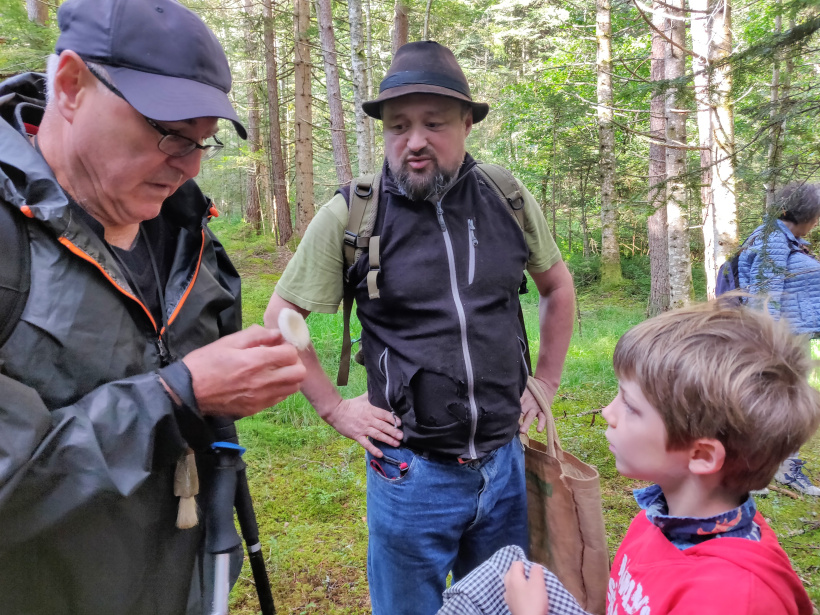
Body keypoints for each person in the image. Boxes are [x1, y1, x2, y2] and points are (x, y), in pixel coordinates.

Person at [0, 0, 306, 613]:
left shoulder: (189, 234)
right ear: (71, 85)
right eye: (168, 133)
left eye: (202, 142)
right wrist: (175, 397)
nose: (188, 166)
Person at [264, 41, 575, 615]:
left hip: (504, 466)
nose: (414, 141)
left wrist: (547, 380)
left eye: (434, 123)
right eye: (398, 125)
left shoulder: (506, 196)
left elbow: (558, 288)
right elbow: (282, 317)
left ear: (466, 125)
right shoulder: (353, 215)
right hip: (410, 475)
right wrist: (335, 408)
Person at [437, 301, 818, 615]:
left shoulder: (733, 598)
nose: (607, 412)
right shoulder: (656, 519)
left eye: (631, 407)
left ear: (701, 455)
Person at [737, 182, 820, 496]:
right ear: (806, 213)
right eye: (817, 215)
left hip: (791, 335)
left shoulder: (786, 239)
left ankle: (782, 468)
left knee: (787, 403)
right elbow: (762, 292)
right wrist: (767, 340)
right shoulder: (773, 239)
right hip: (777, 337)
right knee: (771, 402)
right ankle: (751, 472)